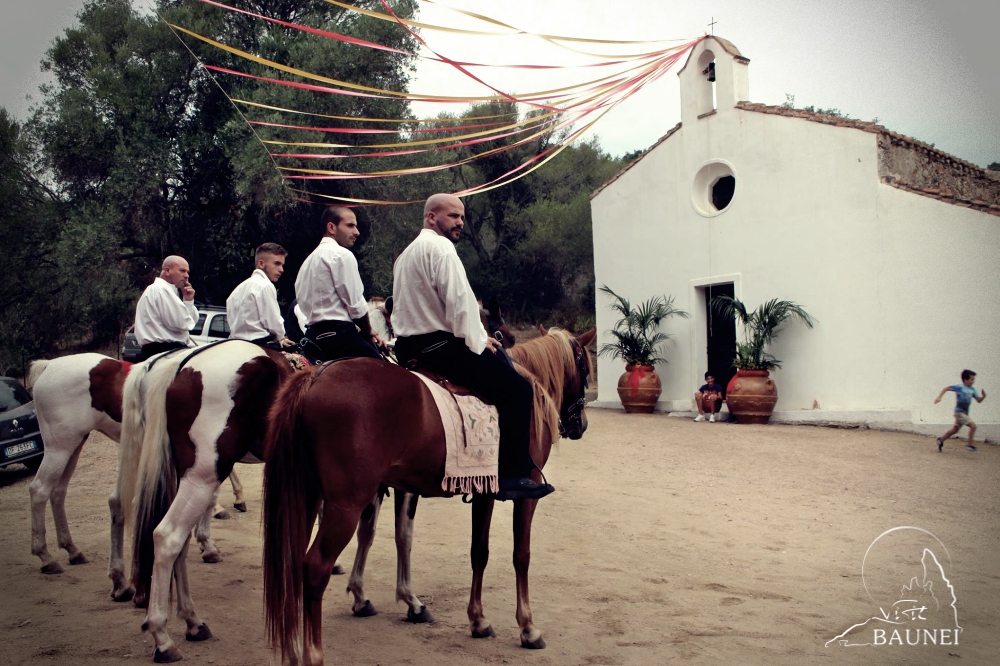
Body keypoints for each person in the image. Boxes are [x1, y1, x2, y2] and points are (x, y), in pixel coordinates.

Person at [392, 193, 553, 502]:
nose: (460, 223)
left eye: (462, 217)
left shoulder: (405, 255)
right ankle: (512, 474)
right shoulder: (442, 249)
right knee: (517, 389)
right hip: (440, 346)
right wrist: (480, 341)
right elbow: (460, 305)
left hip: (408, 346)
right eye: (453, 216)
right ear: (431, 217)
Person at [295, 206, 384, 361]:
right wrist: (368, 330)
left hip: (313, 339)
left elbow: (302, 307)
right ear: (331, 227)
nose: (357, 232)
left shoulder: (306, 263)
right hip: (340, 337)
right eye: (350, 225)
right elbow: (356, 305)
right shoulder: (341, 255)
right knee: (387, 374)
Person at [226, 243, 294, 350]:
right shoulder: (265, 286)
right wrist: (281, 338)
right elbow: (273, 321)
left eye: (282, 265)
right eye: (277, 263)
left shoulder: (237, 289)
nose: (281, 269)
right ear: (261, 263)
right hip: (260, 345)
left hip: (234, 345)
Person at [134, 255, 198, 360]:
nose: (186, 275)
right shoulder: (161, 290)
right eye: (182, 271)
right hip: (164, 352)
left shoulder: (165, 291)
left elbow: (190, 322)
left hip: (166, 351)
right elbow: (183, 323)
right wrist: (188, 304)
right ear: (167, 271)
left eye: (187, 272)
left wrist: (188, 300)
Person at [934, 369, 986, 452]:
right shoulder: (959, 387)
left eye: (973, 379)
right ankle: (970, 445)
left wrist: (983, 396)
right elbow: (946, 388)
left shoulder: (972, 390)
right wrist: (939, 397)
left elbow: (978, 400)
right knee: (973, 426)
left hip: (965, 413)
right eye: (971, 379)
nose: (973, 381)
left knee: (955, 429)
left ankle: (941, 440)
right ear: (965, 380)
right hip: (959, 412)